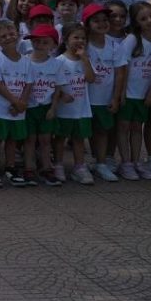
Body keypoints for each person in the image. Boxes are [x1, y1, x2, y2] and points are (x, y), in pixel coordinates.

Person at [83, 3, 126, 182]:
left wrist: (116, 98)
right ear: (87, 24)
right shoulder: (83, 45)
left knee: (102, 131)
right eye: (96, 21)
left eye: (104, 20)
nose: (102, 24)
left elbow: (120, 72)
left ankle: (101, 163)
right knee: (88, 131)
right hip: (84, 99)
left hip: (104, 98)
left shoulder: (114, 46)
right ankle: (90, 160)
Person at [0, 21, 31, 187]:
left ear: (18, 35)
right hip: (0, 109)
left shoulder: (26, 61)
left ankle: (10, 167)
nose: (9, 38)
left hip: (18, 110)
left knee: (12, 140)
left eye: (11, 34)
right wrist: (15, 101)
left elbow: (29, 84)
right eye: (3, 36)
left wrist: (22, 103)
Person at [116, 2, 151, 180]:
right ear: (136, 22)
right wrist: (122, 92)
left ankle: (136, 161)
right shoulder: (132, 40)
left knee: (137, 128)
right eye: (143, 18)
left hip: (144, 94)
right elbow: (122, 66)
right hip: (129, 94)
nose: (149, 21)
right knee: (124, 126)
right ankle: (125, 162)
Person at [54, 24, 96, 184]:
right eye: (76, 37)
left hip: (81, 109)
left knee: (79, 139)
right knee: (59, 138)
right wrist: (62, 95)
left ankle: (79, 167)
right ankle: (58, 164)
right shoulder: (59, 61)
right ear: (65, 40)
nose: (80, 41)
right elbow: (54, 84)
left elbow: (91, 79)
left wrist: (84, 59)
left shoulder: (86, 59)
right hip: (64, 110)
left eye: (83, 38)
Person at [23, 25, 63, 186]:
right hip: (29, 107)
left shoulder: (56, 64)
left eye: (45, 42)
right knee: (29, 139)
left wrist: (53, 107)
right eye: (36, 41)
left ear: (53, 45)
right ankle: (29, 168)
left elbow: (58, 88)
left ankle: (47, 167)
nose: (39, 45)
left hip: (46, 107)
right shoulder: (25, 61)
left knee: (46, 140)